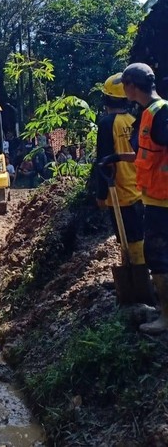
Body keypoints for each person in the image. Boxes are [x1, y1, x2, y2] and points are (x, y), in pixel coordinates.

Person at [104, 63, 168, 333]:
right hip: (153, 197)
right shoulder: (148, 113)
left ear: (131, 86)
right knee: (158, 256)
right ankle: (164, 309)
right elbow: (147, 155)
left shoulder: (159, 113)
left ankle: (166, 317)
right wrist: (118, 157)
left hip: (162, 199)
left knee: (158, 257)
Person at [96, 73, 147, 291]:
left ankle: (138, 283)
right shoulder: (134, 120)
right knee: (137, 235)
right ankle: (137, 273)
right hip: (139, 189)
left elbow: (104, 161)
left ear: (106, 99)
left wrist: (100, 194)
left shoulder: (107, 124)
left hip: (119, 191)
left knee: (128, 237)